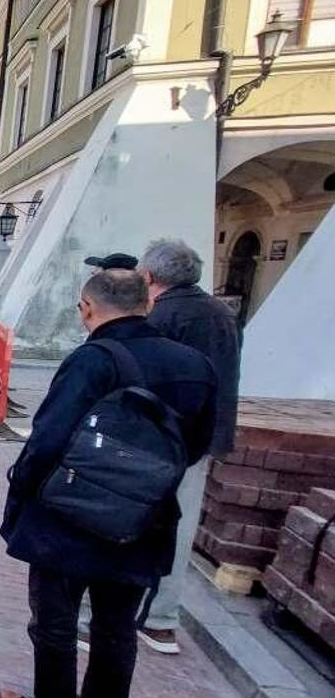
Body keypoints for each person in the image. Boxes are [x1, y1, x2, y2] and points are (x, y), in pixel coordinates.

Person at [0, 269, 216, 698]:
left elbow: (49, 438)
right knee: (116, 623)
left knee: (55, 618)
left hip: (71, 516)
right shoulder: (195, 365)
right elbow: (198, 444)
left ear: (87, 308)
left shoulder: (93, 360)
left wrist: (21, 497)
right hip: (145, 519)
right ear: (149, 305)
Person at [132, 238, 241, 654]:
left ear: (149, 276)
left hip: (162, 439)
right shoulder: (220, 313)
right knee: (181, 529)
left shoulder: (162, 315)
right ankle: (161, 622)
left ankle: (113, 615)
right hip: (203, 438)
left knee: (131, 521)